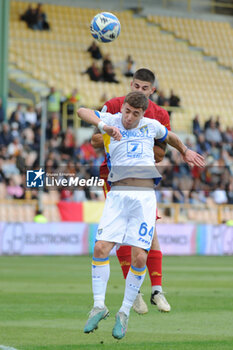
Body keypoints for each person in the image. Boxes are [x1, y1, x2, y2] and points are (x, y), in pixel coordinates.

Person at [77, 91, 205, 339]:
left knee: (139, 257)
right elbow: (82, 111)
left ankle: (123, 313)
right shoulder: (112, 120)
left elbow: (172, 137)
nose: (129, 117)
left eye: (135, 114)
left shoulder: (151, 126)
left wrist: (185, 150)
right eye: (127, 111)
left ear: (142, 114)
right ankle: (99, 305)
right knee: (101, 249)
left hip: (144, 198)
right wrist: (104, 125)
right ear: (122, 108)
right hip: (117, 195)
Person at [91, 68, 171, 314]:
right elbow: (95, 139)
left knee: (151, 233)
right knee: (122, 234)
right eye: (135, 86)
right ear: (130, 84)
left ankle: (156, 290)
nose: (138, 91)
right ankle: (134, 292)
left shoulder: (159, 115)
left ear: (152, 91)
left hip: (144, 180)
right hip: (113, 177)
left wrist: (138, 141)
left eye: (144, 88)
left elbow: (161, 152)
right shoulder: (114, 105)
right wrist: (109, 134)